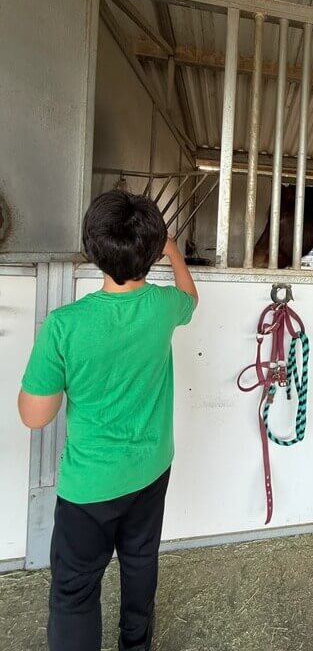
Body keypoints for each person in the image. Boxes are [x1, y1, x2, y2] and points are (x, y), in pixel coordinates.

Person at [17, 190, 198, 651]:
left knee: (75, 590)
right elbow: (189, 296)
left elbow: (35, 417)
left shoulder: (65, 324)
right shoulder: (163, 307)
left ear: (91, 249)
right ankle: (135, 645)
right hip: (152, 467)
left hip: (90, 484)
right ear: (153, 251)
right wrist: (174, 251)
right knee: (140, 560)